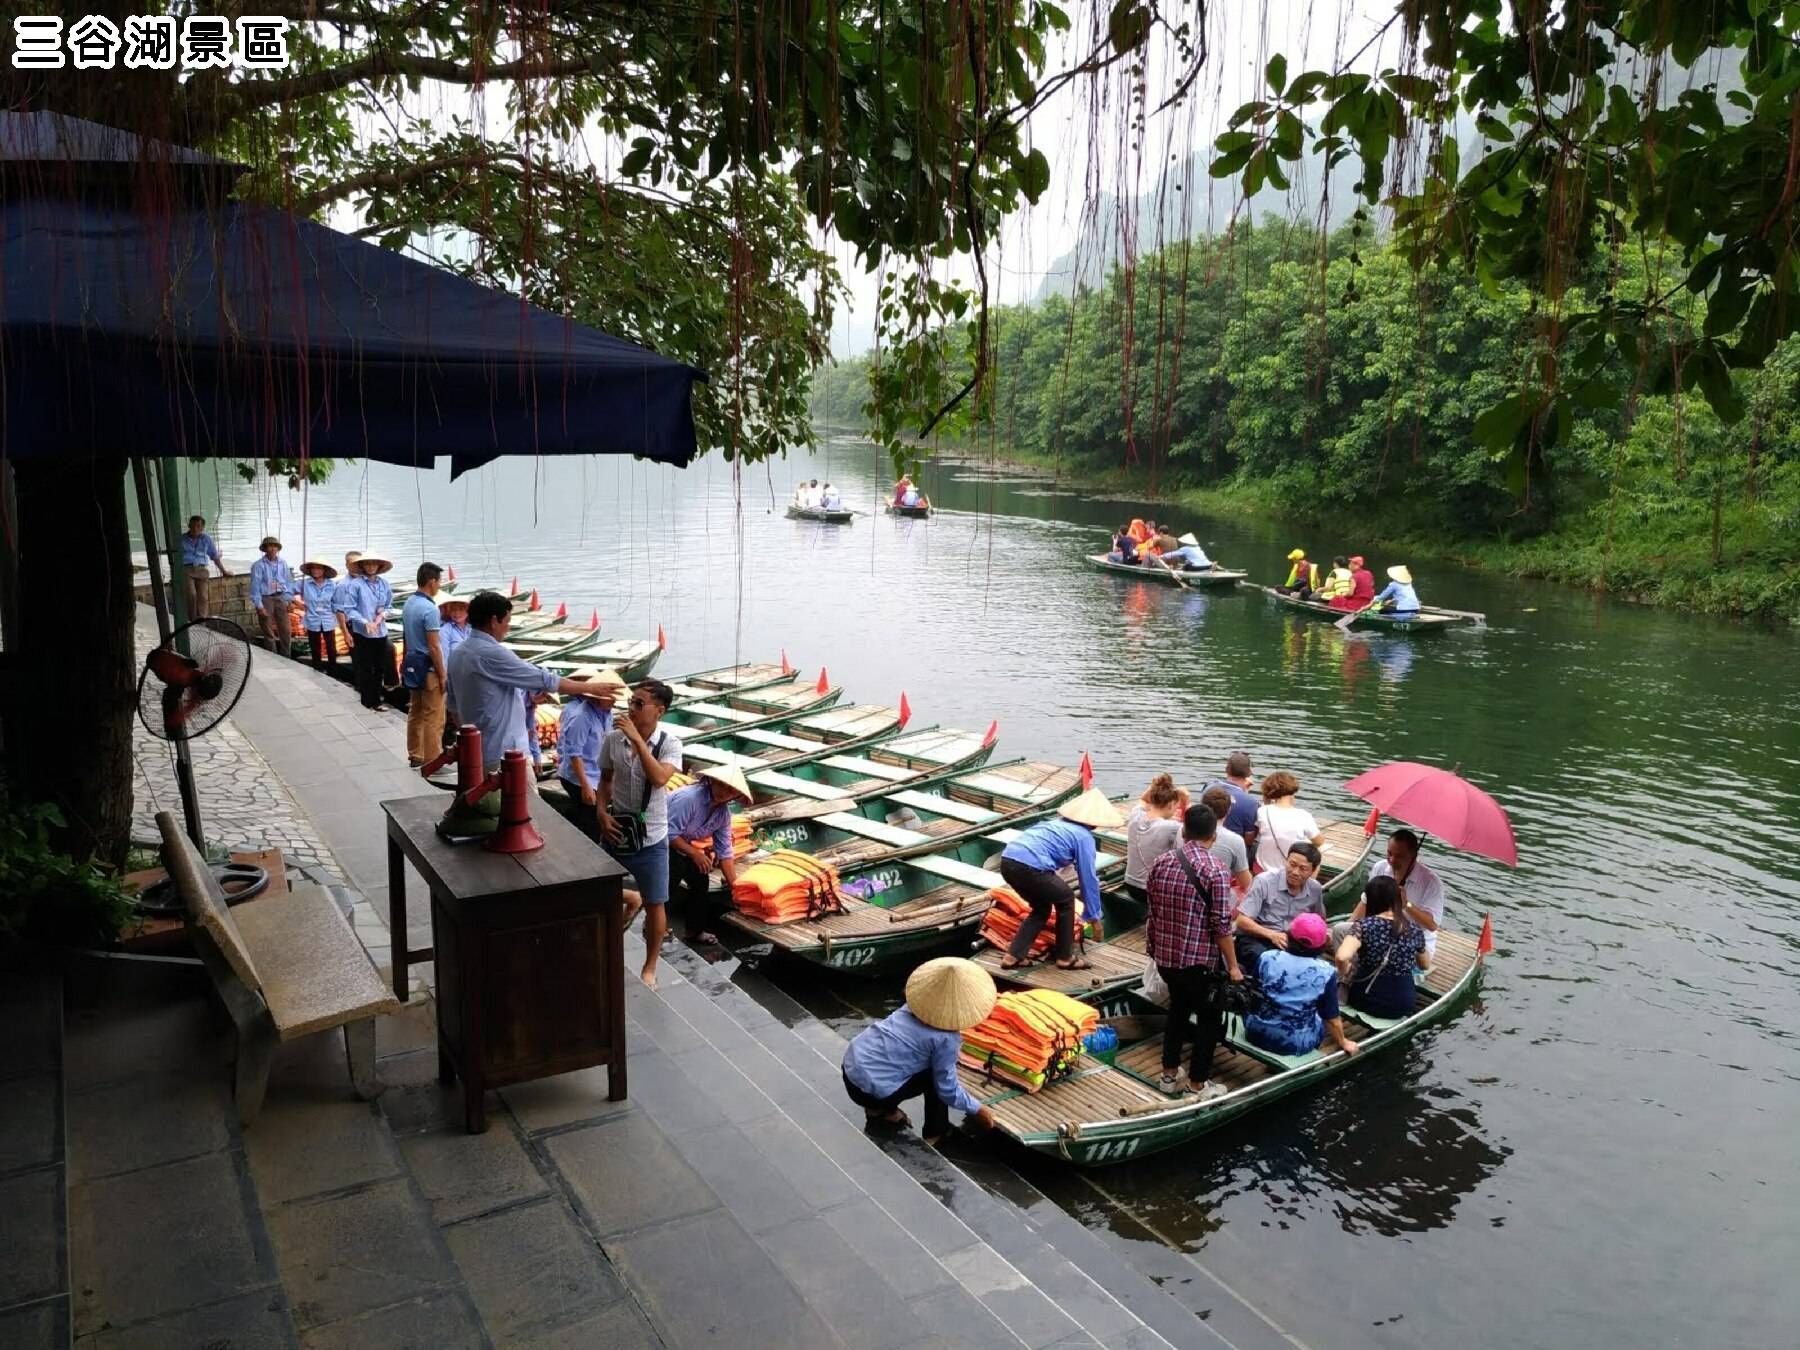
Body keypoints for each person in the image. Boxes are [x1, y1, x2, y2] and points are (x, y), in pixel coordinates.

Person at [445, 589, 619, 768]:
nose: (508, 627)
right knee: (519, 795)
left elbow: (453, 707)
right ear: (494, 621)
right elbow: (545, 680)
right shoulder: (493, 654)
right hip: (504, 754)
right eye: (507, 621)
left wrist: (471, 737)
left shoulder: (457, 654)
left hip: (475, 751)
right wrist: (590, 688)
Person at [841, 957, 998, 1146]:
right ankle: (935, 1133)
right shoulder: (947, 1039)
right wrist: (978, 1109)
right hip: (872, 1092)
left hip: (850, 1073)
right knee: (935, 1079)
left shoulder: (910, 1008)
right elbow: (947, 1090)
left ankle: (879, 1111)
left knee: (891, 1062)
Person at [1145, 804, 1244, 1099]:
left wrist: (1153, 949)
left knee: (1177, 1010)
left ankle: (1168, 1074)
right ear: (1214, 836)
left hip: (1165, 957)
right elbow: (1221, 926)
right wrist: (1234, 966)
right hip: (1198, 963)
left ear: (1184, 831)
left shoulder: (1161, 862)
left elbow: (1153, 912)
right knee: (1209, 1021)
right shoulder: (1216, 870)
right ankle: (1198, 1084)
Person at [597, 679, 684, 989]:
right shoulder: (612, 740)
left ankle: (650, 967)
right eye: (631, 702)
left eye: (639, 704)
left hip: (652, 836)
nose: (631, 709)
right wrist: (601, 812)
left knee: (656, 902)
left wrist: (637, 740)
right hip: (617, 829)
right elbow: (605, 781)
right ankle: (602, 944)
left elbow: (660, 778)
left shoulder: (670, 744)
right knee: (599, 892)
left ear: (659, 711)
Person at [996, 788, 1124, 972]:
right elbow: (1088, 878)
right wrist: (1095, 918)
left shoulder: (1052, 824)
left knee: (1041, 908)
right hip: (1031, 866)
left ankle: (1013, 956)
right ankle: (1065, 957)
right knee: (1066, 900)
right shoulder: (1084, 837)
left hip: (1007, 861)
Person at [1244, 913, 1359, 1058]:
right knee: (1319, 1017)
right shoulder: (1326, 972)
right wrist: (1343, 1042)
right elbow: (1331, 1018)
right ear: (1321, 946)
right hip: (1293, 1043)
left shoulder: (1267, 957)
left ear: (1289, 937)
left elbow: (1254, 991)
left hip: (1254, 1030)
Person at [668, 763, 754, 945]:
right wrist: (695, 853)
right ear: (712, 781)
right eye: (721, 785)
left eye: (731, 790)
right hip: (656, 839)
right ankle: (653, 922)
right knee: (673, 872)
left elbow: (724, 852)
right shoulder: (689, 798)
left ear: (736, 796)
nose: (724, 792)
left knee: (701, 878)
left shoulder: (723, 815)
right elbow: (668, 833)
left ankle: (694, 931)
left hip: (680, 845)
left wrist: (735, 889)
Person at [1336, 875, 1430, 1019]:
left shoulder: (1363, 926)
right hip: (1403, 1004)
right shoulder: (1414, 929)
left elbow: (1342, 957)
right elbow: (1425, 965)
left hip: (1365, 999)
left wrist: (1345, 972)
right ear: (1396, 900)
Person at [553, 664, 624, 830]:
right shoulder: (581, 717)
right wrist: (585, 785)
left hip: (596, 772)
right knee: (590, 818)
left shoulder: (607, 714)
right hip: (578, 777)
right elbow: (574, 753)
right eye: (610, 697)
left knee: (592, 814)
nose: (614, 701)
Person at [1234, 840, 1326, 968]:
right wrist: (1271, 935)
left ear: (1313, 870)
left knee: (1314, 967)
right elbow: (1242, 921)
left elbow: (1319, 921)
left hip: (1293, 942)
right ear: (1286, 861)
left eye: (1303, 869)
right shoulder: (1264, 881)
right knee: (1266, 961)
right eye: (1292, 864)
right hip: (1259, 937)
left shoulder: (1315, 889)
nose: (1295, 872)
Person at [1357, 828, 1445, 956]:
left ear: (1413, 856)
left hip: (1413, 941)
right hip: (1379, 931)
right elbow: (1365, 902)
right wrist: (1349, 925)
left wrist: (1407, 905)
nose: (1392, 860)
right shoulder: (1380, 867)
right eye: (1389, 853)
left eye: (1399, 856)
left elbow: (1432, 925)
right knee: (1341, 932)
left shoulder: (1432, 883)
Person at [400, 563, 449, 766]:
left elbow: (405, 637)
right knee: (434, 716)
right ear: (432, 582)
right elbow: (434, 646)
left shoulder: (409, 603)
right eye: (439, 582)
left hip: (412, 664)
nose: (439, 586)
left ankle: (415, 753)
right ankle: (433, 759)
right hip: (428, 668)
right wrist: (443, 674)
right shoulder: (430, 609)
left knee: (416, 711)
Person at [341, 553, 396, 712]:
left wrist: (380, 617)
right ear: (363, 566)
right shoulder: (356, 584)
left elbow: (389, 606)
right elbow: (349, 610)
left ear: (379, 566)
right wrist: (365, 622)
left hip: (380, 631)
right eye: (368, 564)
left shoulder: (384, 584)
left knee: (379, 666)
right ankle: (366, 700)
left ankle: (377, 699)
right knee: (365, 666)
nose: (371, 567)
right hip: (363, 632)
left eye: (374, 564)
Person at [1123, 774, 1186, 902]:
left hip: (1130, 885)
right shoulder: (1172, 827)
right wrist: (1186, 802)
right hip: (1152, 891)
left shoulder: (1136, 814)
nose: (1176, 810)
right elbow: (1193, 829)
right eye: (1176, 806)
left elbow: (1143, 799)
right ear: (1171, 804)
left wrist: (1154, 786)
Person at [1253, 771, 1325, 874]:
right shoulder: (1303, 815)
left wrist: (1266, 802)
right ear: (1293, 792)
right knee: (1317, 853)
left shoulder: (1262, 811)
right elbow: (1319, 841)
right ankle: (1307, 887)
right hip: (1288, 873)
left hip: (1261, 869)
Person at [1199, 787, 1253, 896]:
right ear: (1229, 811)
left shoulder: (1184, 831)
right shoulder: (1235, 840)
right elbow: (1246, 882)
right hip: (1216, 895)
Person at [248, 536, 295, 654]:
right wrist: (259, 606)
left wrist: (290, 601)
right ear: (265, 549)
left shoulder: (283, 563)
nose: (272, 549)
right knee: (268, 631)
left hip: (280, 597)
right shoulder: (258, 565)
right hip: (266, 598)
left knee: (286, 629)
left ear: (278, 549)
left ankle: (286, 656)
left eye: (274, 546)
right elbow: (255, 587)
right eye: (269, 546)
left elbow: (288, 583)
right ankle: (273, 656)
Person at [1208, 752, 1260, 855]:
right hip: (1233, 851)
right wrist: (1245, 793)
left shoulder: (1209, 787)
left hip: (1207, 841)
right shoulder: (1252, 803)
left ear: (1226, 770)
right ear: (1249, 773)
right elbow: (1249, 840)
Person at [180, 515, 228, 619]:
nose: (195, 529)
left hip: (202, 570)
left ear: (202, 528)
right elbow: (175, 558)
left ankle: (202, 621)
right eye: (192, 526)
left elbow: (214, 556)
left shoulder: (206, 539)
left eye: (198, 526)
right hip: (187, 570)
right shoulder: (182, 539)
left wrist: (224, 571)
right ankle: (192, 621)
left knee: (203, 597)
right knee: (192, 595)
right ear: (189, 526)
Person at [437, 594, 471, 742]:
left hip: (471, 677)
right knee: (456, 714)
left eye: (460, 609)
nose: (457, 613)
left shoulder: (472, 629)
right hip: (454, 677)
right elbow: (443, 655)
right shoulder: (445, 630)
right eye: (454, 610)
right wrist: (443, 677)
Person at [298, 559, 340, 672]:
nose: (316, 570)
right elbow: (287, 592)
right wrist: (296, 602)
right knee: (315, 647)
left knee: (331, 647)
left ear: (324, 570)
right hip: (312, 619)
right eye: (313, 568)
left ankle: (333, 670)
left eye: (319, 568)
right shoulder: (304, 583)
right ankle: (317, 669)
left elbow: (336, 602)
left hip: (328, 619)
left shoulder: (332, 584)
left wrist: (339, 615)